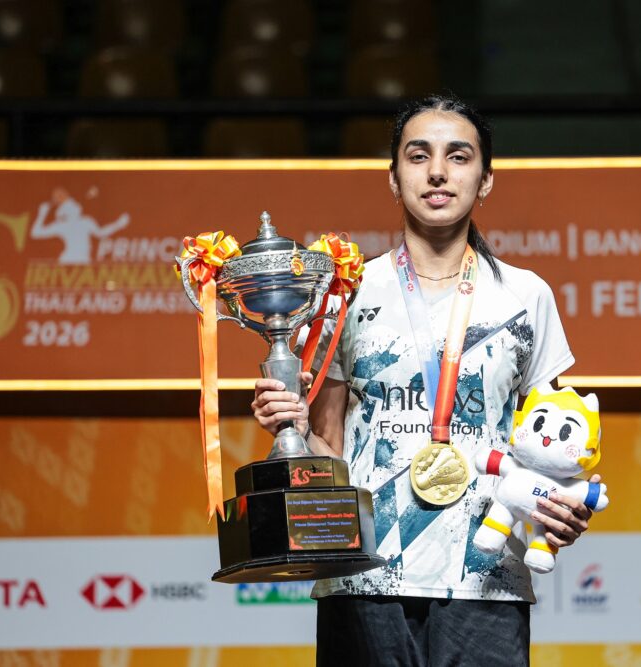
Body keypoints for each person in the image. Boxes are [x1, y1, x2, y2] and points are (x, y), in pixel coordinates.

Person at [252, 95, 600, 666]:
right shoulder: (344, 293)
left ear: (485, 180)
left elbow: (555, 442)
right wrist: (290, 426)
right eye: (418, 156)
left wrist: (563, 506)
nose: (438, 172)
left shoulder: (525, 295)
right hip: (364, 578)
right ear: (394, 178)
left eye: (458, 156)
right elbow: (329, 449)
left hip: (485, 580)